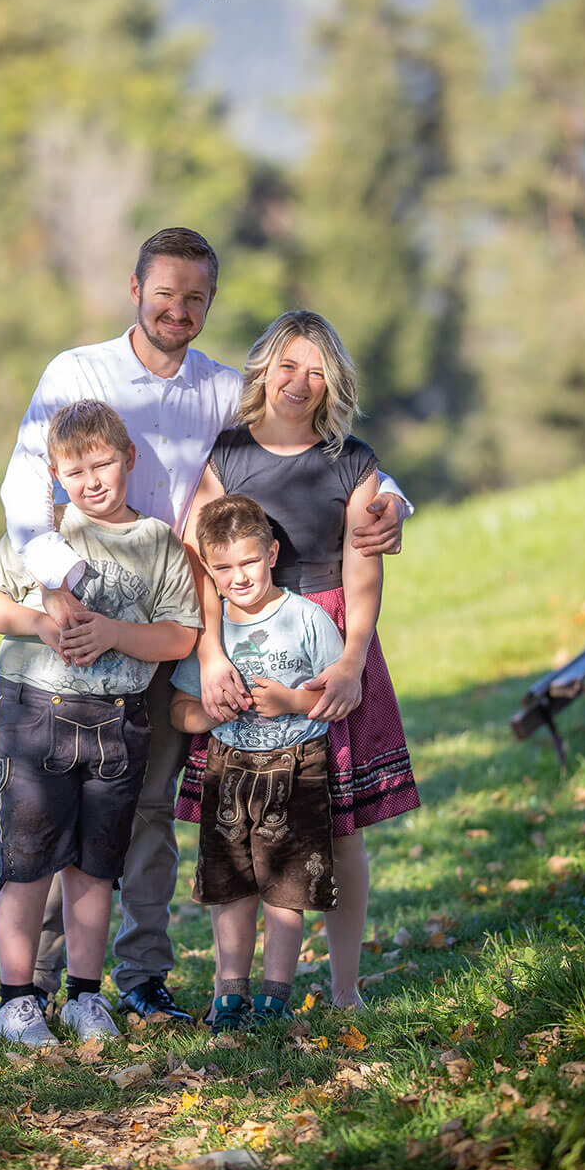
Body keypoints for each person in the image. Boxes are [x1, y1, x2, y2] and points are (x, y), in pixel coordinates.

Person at [0, 228, 411, 1023]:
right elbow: (25, 492)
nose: (179, 310)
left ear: (210, 303)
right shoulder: (76, 373)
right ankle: (38, 986)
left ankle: (141, 981)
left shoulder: (222, 390)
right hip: (92, 622)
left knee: (151, 810)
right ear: (134, 289)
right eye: (165, 295)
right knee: (67, 807)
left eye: (196, 298)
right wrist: (63, 588)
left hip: (186, 624)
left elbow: (320, 447)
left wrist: (395, 500)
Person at [181, 310, 421, 1011]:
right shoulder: (225, 456)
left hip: (328, 644)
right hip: (245, 644)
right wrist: (210, 651)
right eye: (288, 365)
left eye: (317, 371)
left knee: (338, 829)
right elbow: (204, 561)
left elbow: (364, 568)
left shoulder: (352, 461)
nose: (300, 382)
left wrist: (351, 662)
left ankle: (343, 989)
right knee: (242, 821)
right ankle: (237, 987)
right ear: (265, 368)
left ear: (333, 382)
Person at [0, 401, 200, 1044]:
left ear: (130, 459)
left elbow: (181, 635)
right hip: (34, 714)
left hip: (118, 726)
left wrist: (115, 633)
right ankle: (17, 1000)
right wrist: (40, 622)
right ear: (55, 478)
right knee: (27, 859)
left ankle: (84, 997)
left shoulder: (157, 543)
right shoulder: (40, 537)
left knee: (98, 867)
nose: (93, 481)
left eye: (104, 464)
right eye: (76, 472)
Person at [171, 495, 352, 1030]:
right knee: (230, 888)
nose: (239, 577)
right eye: (223, 568)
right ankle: (229, 992)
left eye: (249, 561)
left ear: (272, 553)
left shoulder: (308, 618)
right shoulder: (209, 633)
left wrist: (290, 702)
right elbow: (179, 708)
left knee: (285, 891)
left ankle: (275, 996)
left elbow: (345, 696)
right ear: (209, 569)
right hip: (229, 770)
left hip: (298, 769)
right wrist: (206, 714)